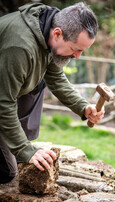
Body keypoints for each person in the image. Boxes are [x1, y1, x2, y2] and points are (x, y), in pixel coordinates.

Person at [0, 2, 104, 183]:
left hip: (4, 90)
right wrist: (24, 149)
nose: (78, 56)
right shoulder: (20, 47)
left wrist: (83, 107)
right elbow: (3, 102)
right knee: (6, 171)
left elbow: (56, 78)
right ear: (57, 33)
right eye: (76, 49)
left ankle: (14, 146)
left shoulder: (47, 31)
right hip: (2, 96)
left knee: (36, 81)